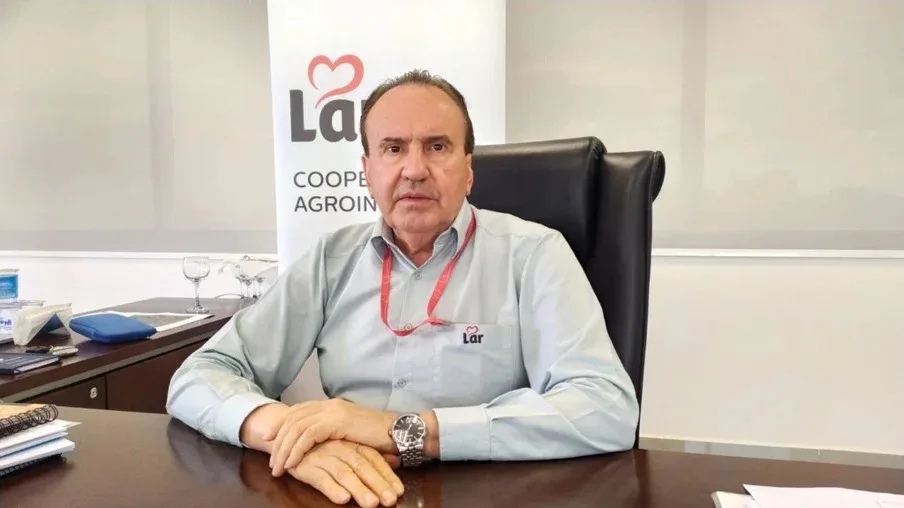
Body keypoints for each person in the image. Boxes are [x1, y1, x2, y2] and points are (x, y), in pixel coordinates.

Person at [166, 69, 639, 507]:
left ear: (468, 170)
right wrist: (289, 435)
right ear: (367, 170)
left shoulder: (533, 253)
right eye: (393, 149)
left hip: (489, 494)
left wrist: (405, 432)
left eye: (437, 147)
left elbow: (606, 408)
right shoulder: (332, 259)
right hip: (348, 490)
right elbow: (200, 374)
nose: (414, 169)